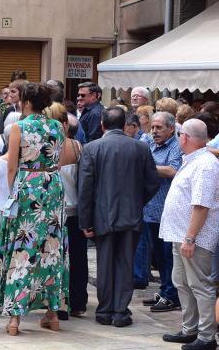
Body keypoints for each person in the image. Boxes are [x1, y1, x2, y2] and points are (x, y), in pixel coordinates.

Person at [0, 82, 77, 336]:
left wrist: (15, 190)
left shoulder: (18, 127)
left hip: (28, 185)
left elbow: (11, 166)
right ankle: (53, 314)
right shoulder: (58, 126)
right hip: (53, 187)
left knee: (21, 247)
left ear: (25, 102)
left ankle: (14, 319)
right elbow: (60, 159)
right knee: (51, 249)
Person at [78, 106, 159, 328]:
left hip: (102, 215)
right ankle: (120, 311)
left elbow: (85, 188)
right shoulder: (140, 148)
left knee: (104, 264)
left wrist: (85, 220)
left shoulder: (92, 148)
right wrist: (136, 202)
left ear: (103, 125)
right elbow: (152, 183)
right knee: (125, 263)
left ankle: (105, 310)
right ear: (124, 125)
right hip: (130, 215)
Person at [160, 119, 219, 350]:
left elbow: (201, 205)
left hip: (194, 238)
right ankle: (190, 328)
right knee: (182, 282)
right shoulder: (194, 160)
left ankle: (206, 336)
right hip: (181, 234)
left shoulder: (205, 164)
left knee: (200, 285)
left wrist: (190, 238)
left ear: (184, 137)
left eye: (179, 135)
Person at [139, 111, 185, 314]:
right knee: (158, 256)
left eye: (159, 128)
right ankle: (164, 290)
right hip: (149, 210)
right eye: (153, 127)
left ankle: (171, 296)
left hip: (166, 211)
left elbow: (173, 170)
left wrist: (148, 166)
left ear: (171, 129)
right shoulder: (149, 143)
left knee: (168, 257)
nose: (154, 131)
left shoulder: (176, 146)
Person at [46, 103, 86, 319]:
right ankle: (76, 302)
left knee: (53, 258)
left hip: (52, 211)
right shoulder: (78, 146)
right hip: (74, 208)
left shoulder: (42, 146)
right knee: (78, 258)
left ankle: (55, 302)